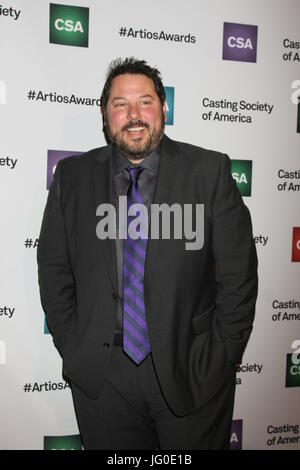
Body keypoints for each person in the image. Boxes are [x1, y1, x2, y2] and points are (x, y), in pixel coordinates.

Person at [37, 57, 258, 450]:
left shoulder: (209, 172)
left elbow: (239, 273)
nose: (134, 114)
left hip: (192, 369)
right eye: (120, 104)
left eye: (145, 102)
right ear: (105, 115)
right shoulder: (72, 178)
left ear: (164, 108)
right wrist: (73, 343)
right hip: (102, 378)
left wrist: (224, 355)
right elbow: (54, 267)